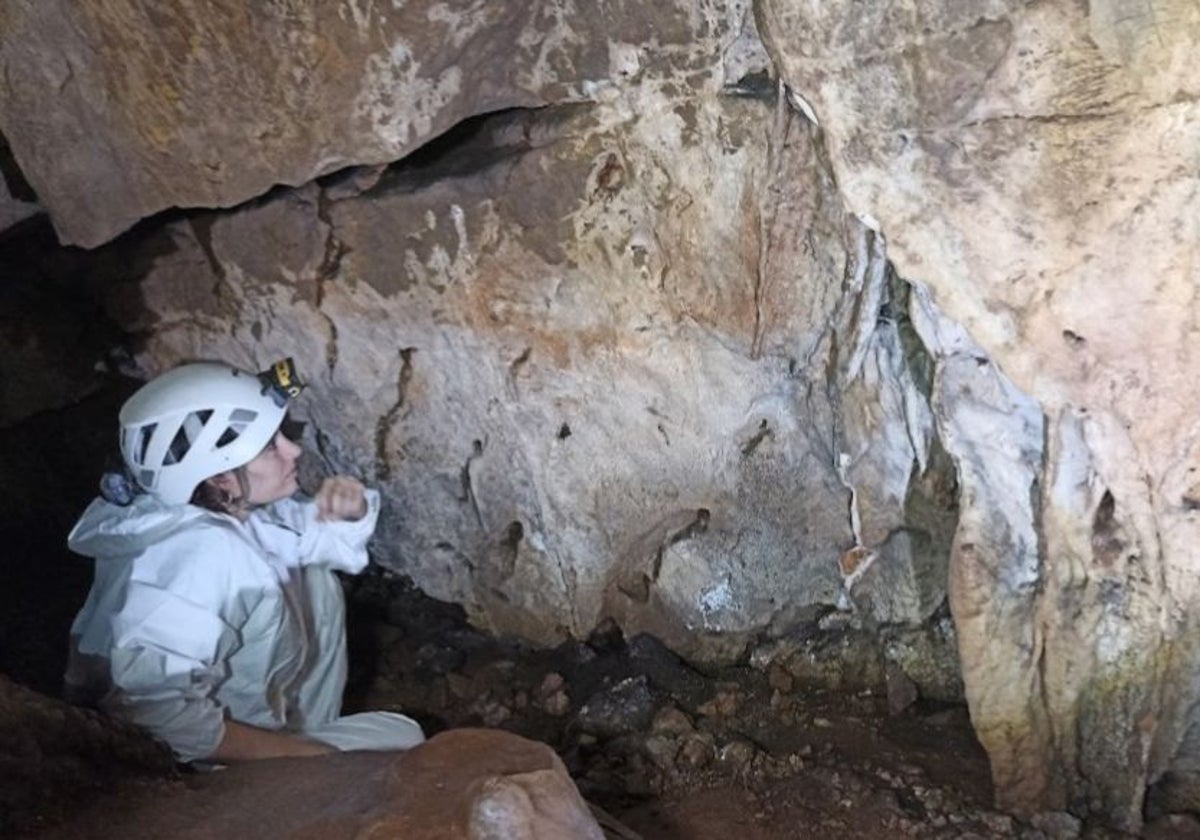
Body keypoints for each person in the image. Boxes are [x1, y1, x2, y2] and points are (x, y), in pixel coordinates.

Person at [64, 358, 425, 762]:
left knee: (315, 574)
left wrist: (347, 511)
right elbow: (154, 713)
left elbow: (301, 537)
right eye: (270, 446)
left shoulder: (202, 508)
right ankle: (276, 768)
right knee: (405, 741)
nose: (293, 450)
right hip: (206, 756)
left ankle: (300, 726)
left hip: (252, 711)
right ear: (219, 476)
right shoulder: (199, 554)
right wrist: (305, 757)